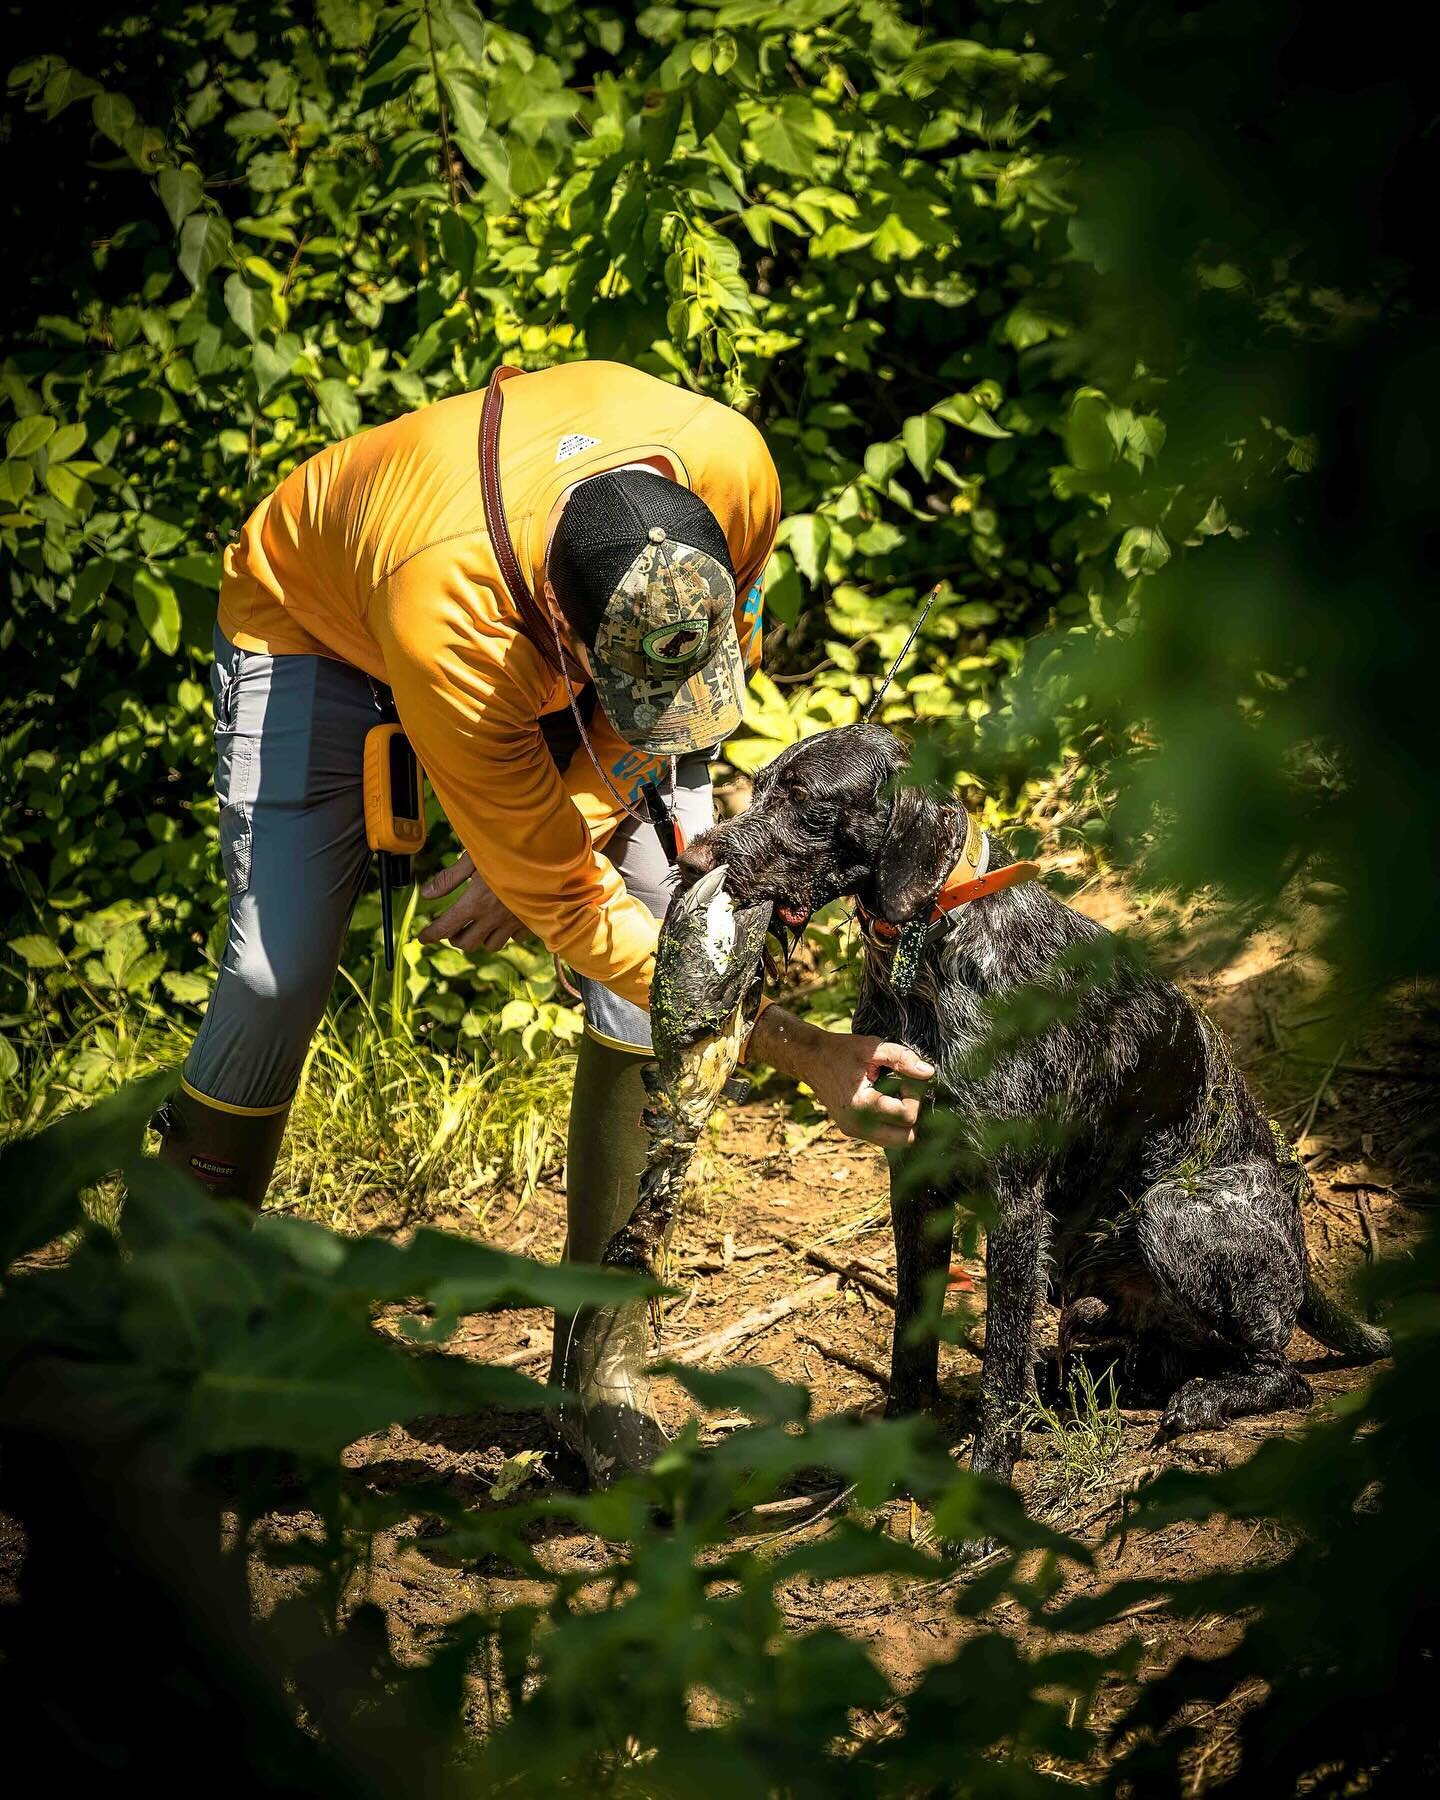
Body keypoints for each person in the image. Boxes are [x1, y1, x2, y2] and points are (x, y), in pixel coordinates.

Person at [157, 358, 933, 1478]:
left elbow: (659, 750)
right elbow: (572, 908)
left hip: (519, 626)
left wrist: (545, 820)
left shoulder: (732, 467)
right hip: (317, 619)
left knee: (671, 908)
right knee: (277, 976)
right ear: (566, 644)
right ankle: (157, 1335)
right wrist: (803, 1050)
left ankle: (597, 1378)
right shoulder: (455, 626)